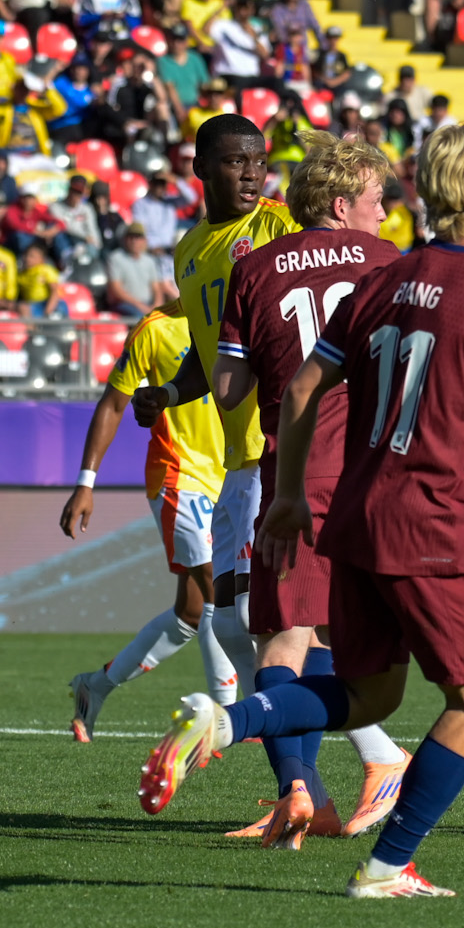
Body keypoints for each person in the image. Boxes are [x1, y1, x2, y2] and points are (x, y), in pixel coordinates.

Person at [136, 121, 464, 899]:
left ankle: (227, 721)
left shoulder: (382, 282)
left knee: (371, 692)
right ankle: (386, 863)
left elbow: (296, 386)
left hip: (348, 509)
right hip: (427, 516)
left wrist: (289, 492)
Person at [203, 132, 411, 847]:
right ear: (342, 202)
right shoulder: (389, 262)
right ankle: (329, 789)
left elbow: (229, 388)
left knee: (281, 636)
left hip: (304, 472)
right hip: (381, 473)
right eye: (378, 199)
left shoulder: (254, 266)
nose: (384, 212)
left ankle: (298, 788)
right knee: (323, 632)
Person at [130, 115, 299, 731]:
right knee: (226, 623)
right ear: (200, 169)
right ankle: (287, 754)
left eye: (259, 161)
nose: (252, 174)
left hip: (275, 447)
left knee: (264, 621)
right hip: (235, 460)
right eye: (235, 162)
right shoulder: (189, 250)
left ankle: (366, 754)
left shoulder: (279, 225)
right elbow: (213, 352)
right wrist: (170, 392)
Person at [61, 302, 237, 738]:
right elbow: (113, 403)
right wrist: (86, 483)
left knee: (191, 613)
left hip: (229, 474)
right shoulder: (154, 329)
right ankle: (230, 716)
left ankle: (95, 686)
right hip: (179, 474)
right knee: (218, 588)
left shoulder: (238, 315)